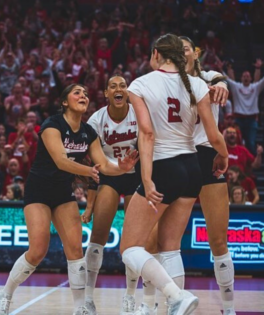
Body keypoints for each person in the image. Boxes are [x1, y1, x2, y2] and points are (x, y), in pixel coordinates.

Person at [0, 84, 138, 315]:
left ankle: (80, 308)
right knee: (38, 250)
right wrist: (87, 171)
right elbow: (61, 161)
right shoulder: (52, 125)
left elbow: (104, 165)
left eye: (86, 93)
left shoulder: (89, 132)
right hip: (38, 191)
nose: (83, 96)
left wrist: (122, 168)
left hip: (62, 192)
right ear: (64, 102)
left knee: (75, 251)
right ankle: (5, 294)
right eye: (77, 93)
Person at [120, 34, 228, 315]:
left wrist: (146, 177)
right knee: (170, 248)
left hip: (163, 166)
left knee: (130, 248)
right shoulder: (197, 84)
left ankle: (175, 296)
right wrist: (224, 156)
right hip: (192, 167)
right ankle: (175, 307)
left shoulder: (141, 84)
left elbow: (146, 133)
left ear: (156, 54)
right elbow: (214, 134)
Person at [181, 36, 237, 315]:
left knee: (218, 240)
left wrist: (223, 85)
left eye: (186, 48)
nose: (181, 52)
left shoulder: (208, 76)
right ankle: (160, 302)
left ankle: (228, 308)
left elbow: (221, 78)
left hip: (206, 156)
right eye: (176, 49)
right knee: (165, 241)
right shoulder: (161, 81)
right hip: (176, 157)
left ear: (196, 53)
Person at [81, 75, 140, 315]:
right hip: (109, 175)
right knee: (98, 236)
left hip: (137, 175)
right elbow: (94, 166)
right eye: (113, 86)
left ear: (128, 91)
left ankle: (130, 297)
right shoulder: (96, 120)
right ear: (106, 93)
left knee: (135, 240)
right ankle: (87, 299)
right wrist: (89, 205)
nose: (118, 89)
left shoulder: (139, 113)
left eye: (123, 85)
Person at [217, 58, 264, 155]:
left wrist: (259, 68)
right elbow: (227, 79)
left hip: (251, 120)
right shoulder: (237, 86)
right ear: (241, 78)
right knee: (238, 142)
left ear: (250, 78)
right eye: (244, 76)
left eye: (247, 76)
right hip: (239, 119)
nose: (246, 77)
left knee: (251, 143)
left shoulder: (255, 87)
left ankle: (252, 165)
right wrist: (221, 69)